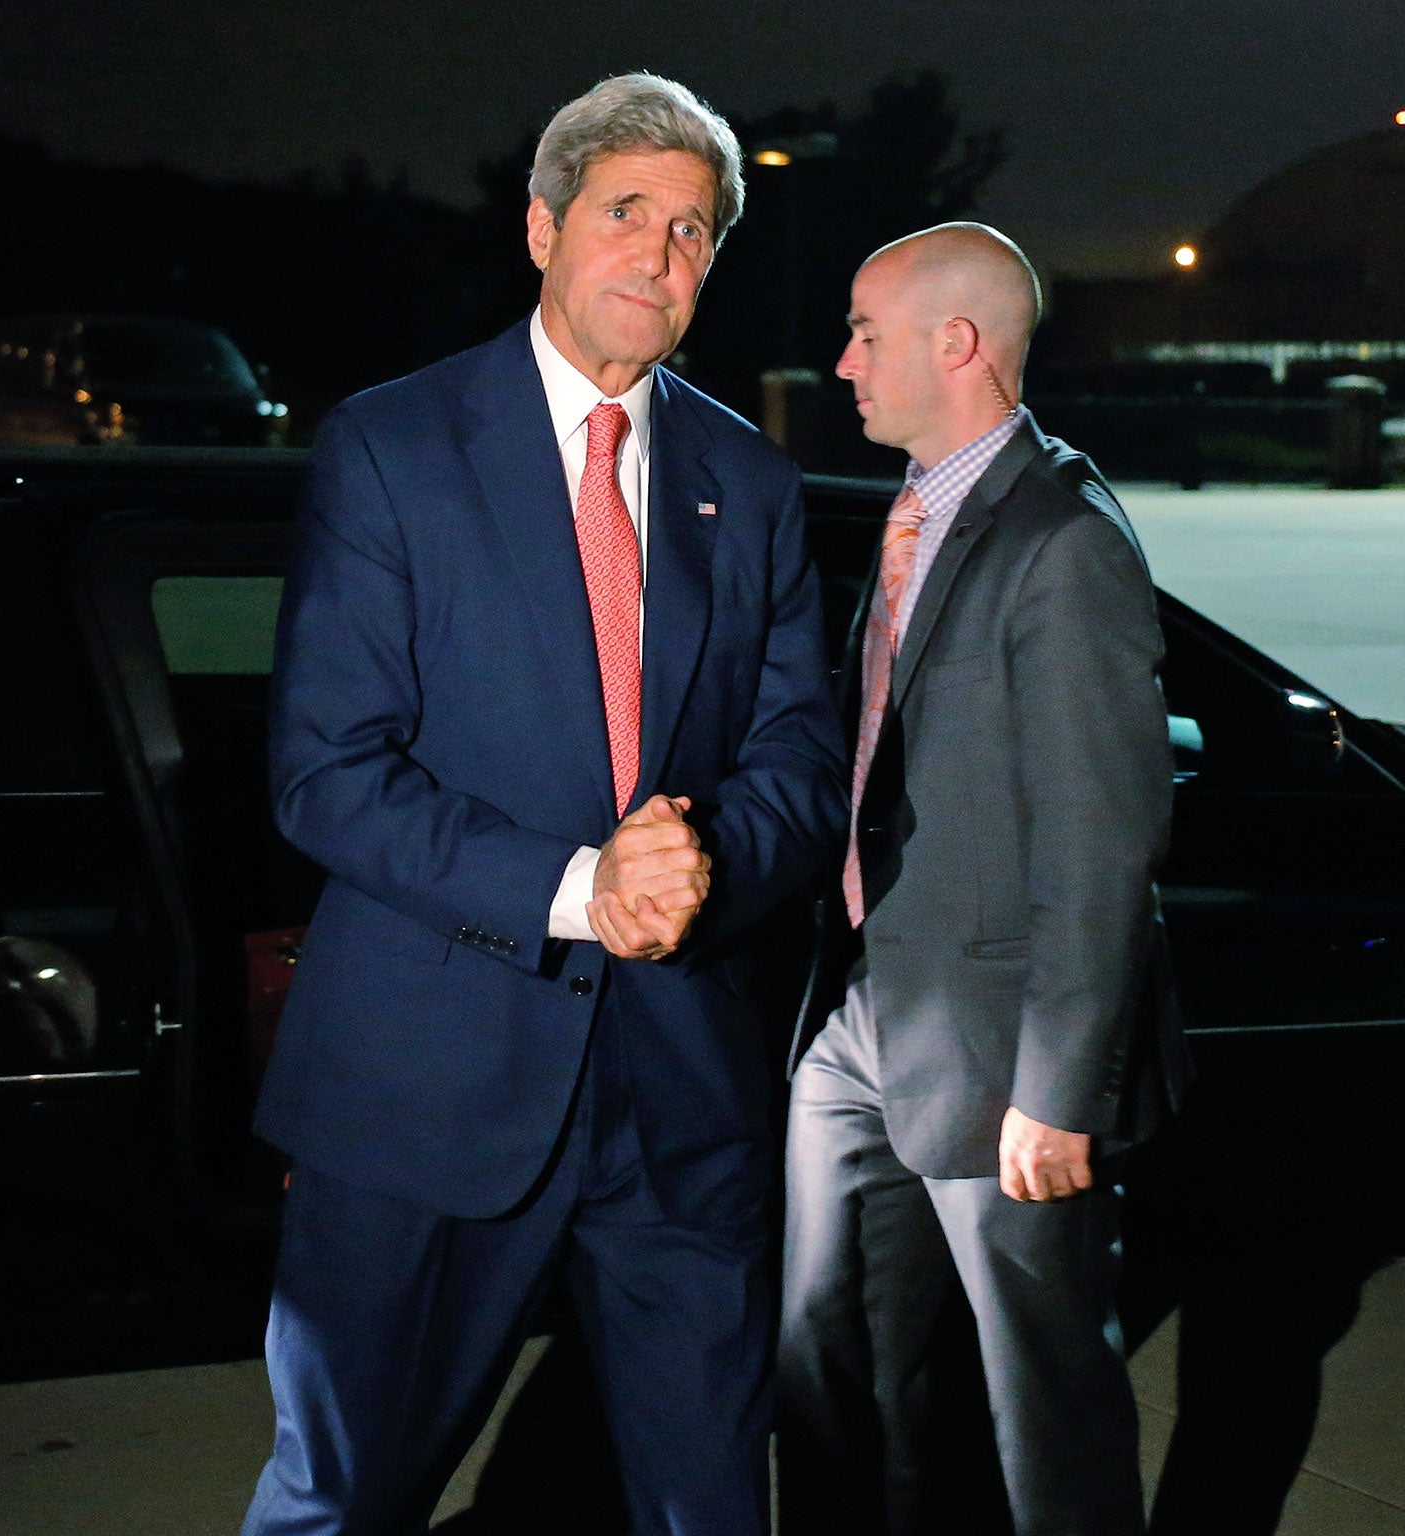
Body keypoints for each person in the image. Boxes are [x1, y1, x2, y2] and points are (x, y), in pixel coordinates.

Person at [243, 74, 845, 1535]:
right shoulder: (391, 447)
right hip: (431, 1082)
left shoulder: (747, 482)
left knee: (710, 1496)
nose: (659, 253)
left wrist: (702, 866)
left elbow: (803, 758)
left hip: (680, 1088)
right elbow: (328, 770)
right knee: (347, 1491)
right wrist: (586, 885)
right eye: (626, 212)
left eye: (694, 229)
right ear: (541, 228)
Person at [778, 223, 1183, 1536]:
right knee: (822, 1343)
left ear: (956, 343)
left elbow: (1102, 840)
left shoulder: (1063, 543)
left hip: (1001, 1051)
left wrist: (1057, 1091)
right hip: (862, 1011)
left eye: (865, 333)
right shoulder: (919, 506)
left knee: (1041, 1383)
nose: (841, 363)